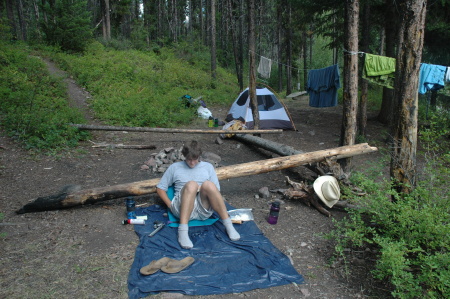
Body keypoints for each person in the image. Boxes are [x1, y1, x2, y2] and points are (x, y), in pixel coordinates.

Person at [156, 140, 240, 249]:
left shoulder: (208, 167)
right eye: (189, 159)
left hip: (202, 208)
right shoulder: (175, 167)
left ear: (199, 156)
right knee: (191, 185)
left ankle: (228, 225)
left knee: (208, 185)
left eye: (194, 159)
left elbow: (216, 190)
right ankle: (183, 231)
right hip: (182, 208)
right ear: (184, 156)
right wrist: (170, 205)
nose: (192, 163)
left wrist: (200, 189)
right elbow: (160, 188)